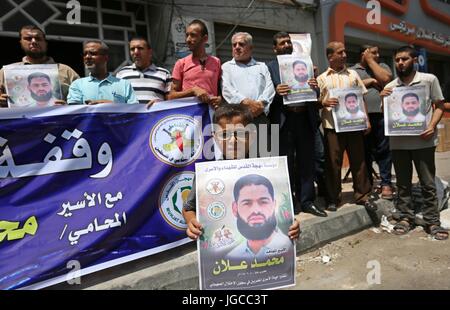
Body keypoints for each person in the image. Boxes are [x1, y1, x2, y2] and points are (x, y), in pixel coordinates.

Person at [182, 104, 300, 244]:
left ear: (252, 135)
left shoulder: (269, 170)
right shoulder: (207, 174)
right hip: (224, 259)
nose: (233, 141)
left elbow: (282, 209)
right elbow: (188, 208)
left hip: (270, 253)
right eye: (224, 135)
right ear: (215, 137)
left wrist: (292, 224)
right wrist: (191, 222)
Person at [381, 45, 448, 240]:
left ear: (414, 60)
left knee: (427, 183)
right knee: (403, 184)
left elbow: (440, 105)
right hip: (398, 143)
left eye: (404, 59)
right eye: (397, 60)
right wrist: (383, 99)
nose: (400, 63)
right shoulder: (390, 87)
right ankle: (405, 218)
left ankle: (432, 221)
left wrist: (431, 126)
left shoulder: (428, 80)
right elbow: (389, 116)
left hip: (423, 142)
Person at [266, 32, 326, 217]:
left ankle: (307, 201)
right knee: (286, 163)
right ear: (275, 48)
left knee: (306, 162)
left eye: (288, 42)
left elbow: (315, 94)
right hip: (284, 120)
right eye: (282, 43)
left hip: (304, 119)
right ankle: (288, 202)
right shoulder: (269, 67)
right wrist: (276, 91)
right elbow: (265, 92)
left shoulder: (304, 63)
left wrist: (314, 85)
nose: (286, 45)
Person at [317, 41, 372, 211]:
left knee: (359, 161)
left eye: (345, 52)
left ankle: (362, 195)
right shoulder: (321, 79)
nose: (344, 55)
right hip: (332, 126)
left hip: (354, 125)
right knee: (333, 163)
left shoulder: (353, 75)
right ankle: (333, 198)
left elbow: (361, 98)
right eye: (340, 52)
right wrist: (323, 102)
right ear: (330, 56)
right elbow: (314, 102)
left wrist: (367, 119)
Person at [351, 45, 393, 199]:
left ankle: (386, 183)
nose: (378, 54)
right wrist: (369, 81)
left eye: (377, 52)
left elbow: (385, 79)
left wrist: (371, 62)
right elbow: (351, 87)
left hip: (382, 115)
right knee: (364, 153)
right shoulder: (353, 70)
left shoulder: (382, 66)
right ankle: (367, 185)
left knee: (384, 151)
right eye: (373, 53)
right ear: (364, 54)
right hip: (362, 117)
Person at [0, 25, 79, 107]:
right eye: (28, 38)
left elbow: (82, 101)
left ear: (45, 43)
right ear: (21, 43)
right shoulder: (6, 72)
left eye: (38, 38)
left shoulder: (66, 71)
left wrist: (68, 107)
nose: (33, 41)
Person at [225, 174, 294, 261]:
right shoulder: (231, 257)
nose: (256, 210)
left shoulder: (288, 245)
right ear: (235, 209)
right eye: (247, 203)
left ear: (274, 205)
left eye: (263, 202)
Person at [221, 32, 275, 126]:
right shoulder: (226, 67)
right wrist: (246, 103)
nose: (237, 47)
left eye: (241, 44)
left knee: (263, 141)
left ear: (251, 48)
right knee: (238, 141)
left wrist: (260, 105)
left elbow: (270, 88)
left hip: (260, 116)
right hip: (237, 118)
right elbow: (227, 90)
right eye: (234, 45)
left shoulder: (262, 66)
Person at [168, 20, 221, 109]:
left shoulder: (216, 62)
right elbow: (171, 96)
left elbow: (220, 91)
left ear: (205, 39)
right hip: (188, 116)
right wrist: (193, 91)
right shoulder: (181, 63)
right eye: (187, 35)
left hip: (210, 115)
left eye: (193, 35)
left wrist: (219, 99)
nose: (188, 39)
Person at [67, 40, 138, 105]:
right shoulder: (77, 85)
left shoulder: (124, 85)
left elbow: (134, 111)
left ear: (106, 58)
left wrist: (113, 106)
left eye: (93, 53)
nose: (87, 57)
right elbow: (75, 114)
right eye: (85, 54)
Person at [116, 36, 171, 105]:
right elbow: (116, 100)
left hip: (155, 115)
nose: (136, 52)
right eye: (132, 49)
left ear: (150, 52)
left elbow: (170, 102)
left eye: (140, 48)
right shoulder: (122, 74)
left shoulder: (164, 74)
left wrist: (160, 104)